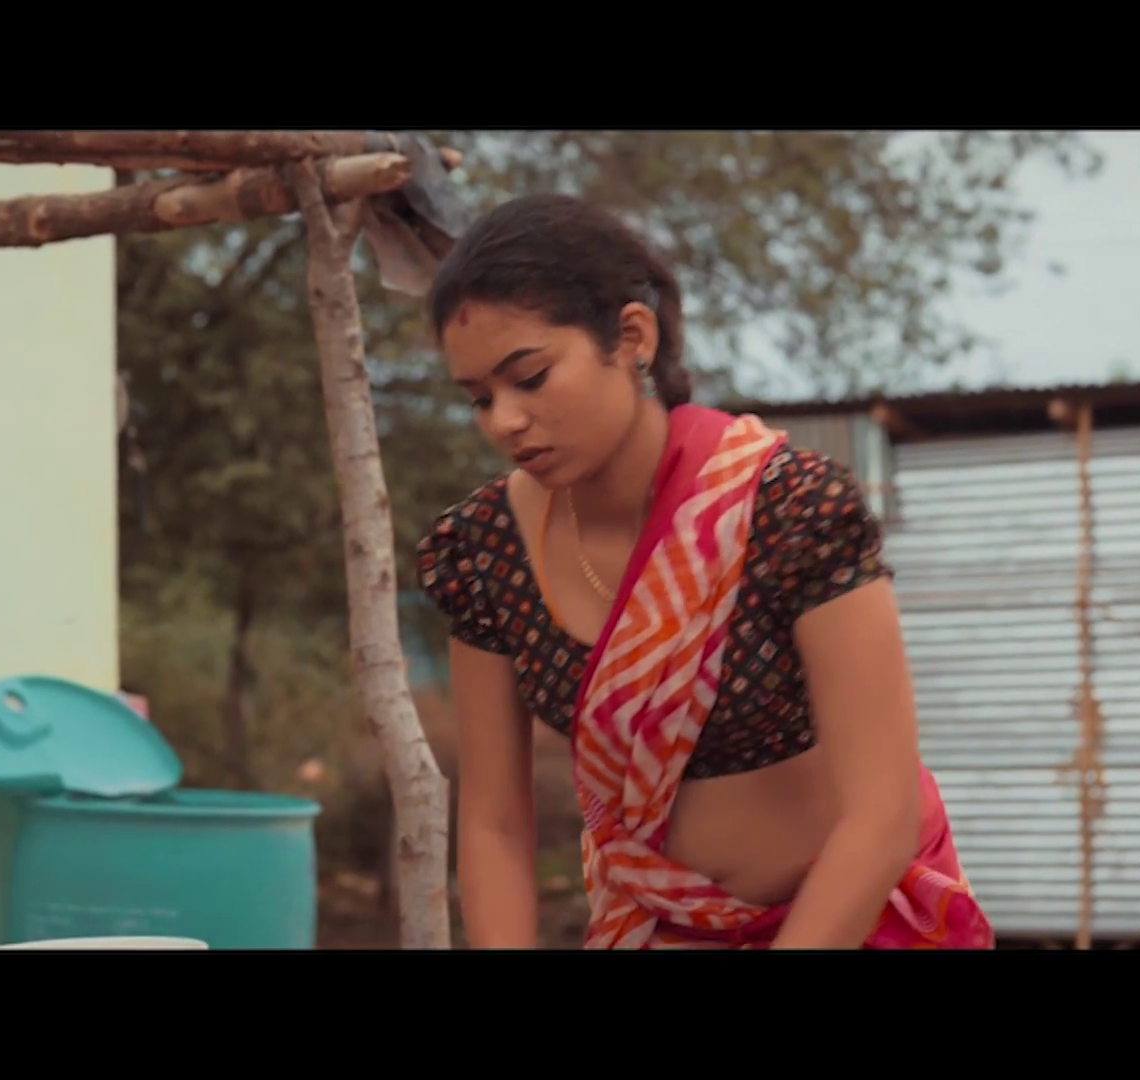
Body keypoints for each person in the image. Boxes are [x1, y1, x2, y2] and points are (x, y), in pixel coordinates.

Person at [413, 193, 994, 950]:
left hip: (853, 924)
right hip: (661, 927)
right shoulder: (487, 552)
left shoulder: (790, 511)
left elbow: (880, 817)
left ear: (632, 337)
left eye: (531, 377)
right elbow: (495, 826)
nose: (504, 421)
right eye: (479, 399)